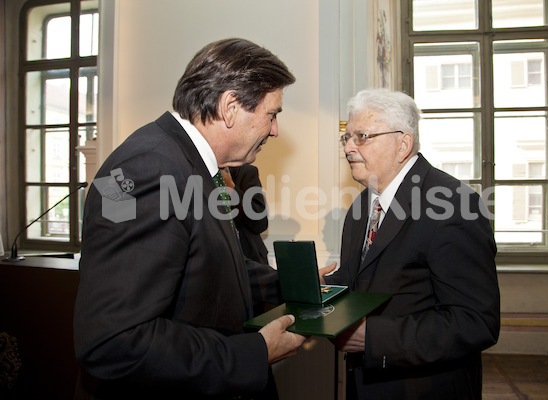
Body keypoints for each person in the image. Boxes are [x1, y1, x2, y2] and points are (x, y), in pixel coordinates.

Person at [73, 38, 306, 399]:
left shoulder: (192, 165)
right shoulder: (150, 169)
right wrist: (253, 353)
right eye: (272, 114)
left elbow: (210, 266)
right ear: (230, 107)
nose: (274, 129)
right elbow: (114, 339)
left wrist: (292, 283)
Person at [323, 89, 501, 399]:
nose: (349, 148)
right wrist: (322, 287)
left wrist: (372, 338)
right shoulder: (363, 205)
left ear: (403, 144)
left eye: (362, 136)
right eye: (346, 138)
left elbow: (475, 322)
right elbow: (362, 282)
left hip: (425, 388)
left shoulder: (454, 204)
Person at [220, 165, 269, 265]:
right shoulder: (194, 172)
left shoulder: (245, 172)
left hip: (248, 258)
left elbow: (260, 223)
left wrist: (231, 188)